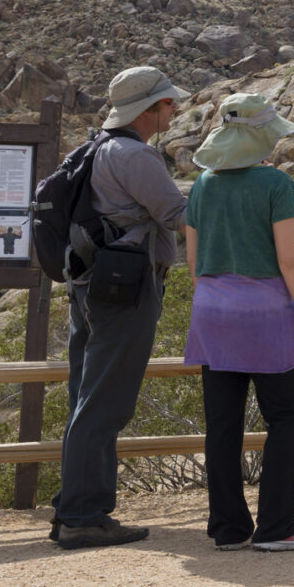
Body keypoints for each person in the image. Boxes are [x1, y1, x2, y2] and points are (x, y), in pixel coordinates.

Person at [51, 66, 189, 550]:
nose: (175, 109)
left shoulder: (94, 149)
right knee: (106, 401)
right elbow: (178, 215)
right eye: (168, 103)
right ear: (148, 109)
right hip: (126, 288)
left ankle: (74, 506)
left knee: (86, 396)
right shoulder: (136, 156)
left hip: (90, 285)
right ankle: (83, 517)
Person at [182, 93, 294, 551]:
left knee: (222, 423)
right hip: (264, 315)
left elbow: (192, 259)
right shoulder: (275, 184)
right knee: (286, 415)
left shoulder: (202, 185)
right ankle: (277, 527)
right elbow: (290, 259)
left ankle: (228, 529)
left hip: (212, 310)